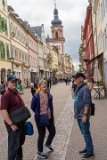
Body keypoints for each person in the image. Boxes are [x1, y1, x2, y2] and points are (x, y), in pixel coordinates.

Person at [0, 75, 26, 160]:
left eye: (16, 81)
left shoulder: (16, 92)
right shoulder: (6, 95)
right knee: (13, 147)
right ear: (8, 83)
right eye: (13, 82)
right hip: (13, 125)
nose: (15, 83)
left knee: (19, 145)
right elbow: (3, 110)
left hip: (20, 123)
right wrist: (11, 124)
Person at [31, 79, 56, 159]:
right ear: (40, 86)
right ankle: (40, 151)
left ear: (47, 85)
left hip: (49, 117)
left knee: (52, 131)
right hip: (40, 118)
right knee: (42, 135)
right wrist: (39, 112)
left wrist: (51, 114)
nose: (44, 85)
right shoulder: (36, 96)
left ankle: (48, 143)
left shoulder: (50, 96)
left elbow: (51, 106)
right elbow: (32, 107)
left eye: (45, 84)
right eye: (42, 84)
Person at [74, 72, 94, 159]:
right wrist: (75, 112)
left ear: (81, 79)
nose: (74, 79)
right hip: (79, 115)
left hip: (83, 115)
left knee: (86, 133)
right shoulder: (78, 88)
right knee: (84, 133)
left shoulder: (84, 88)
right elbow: (77, 100)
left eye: (76, 77)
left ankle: (90, 151)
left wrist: (85, 115)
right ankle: (87, 148)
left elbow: (87, 103)